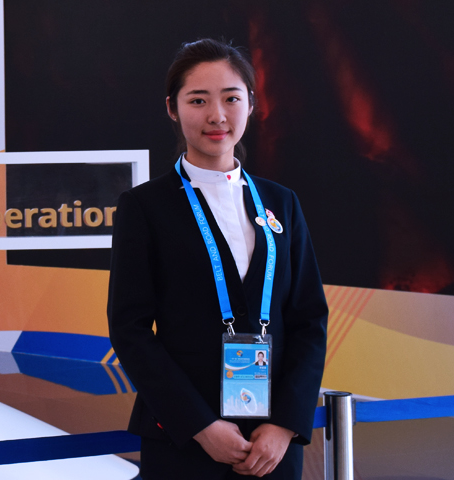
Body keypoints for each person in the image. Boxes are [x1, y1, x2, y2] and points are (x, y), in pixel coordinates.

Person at [107, 39, 328, 479]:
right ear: (172, 108)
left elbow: (308, 319)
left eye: (231, 98)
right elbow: (130, 330)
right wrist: (200, 426)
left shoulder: (281, 203)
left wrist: (285, 424)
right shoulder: (145, 207)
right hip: (183, 441)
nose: (217, 116)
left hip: (271, 445)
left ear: (251, 104)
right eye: (198, 100)